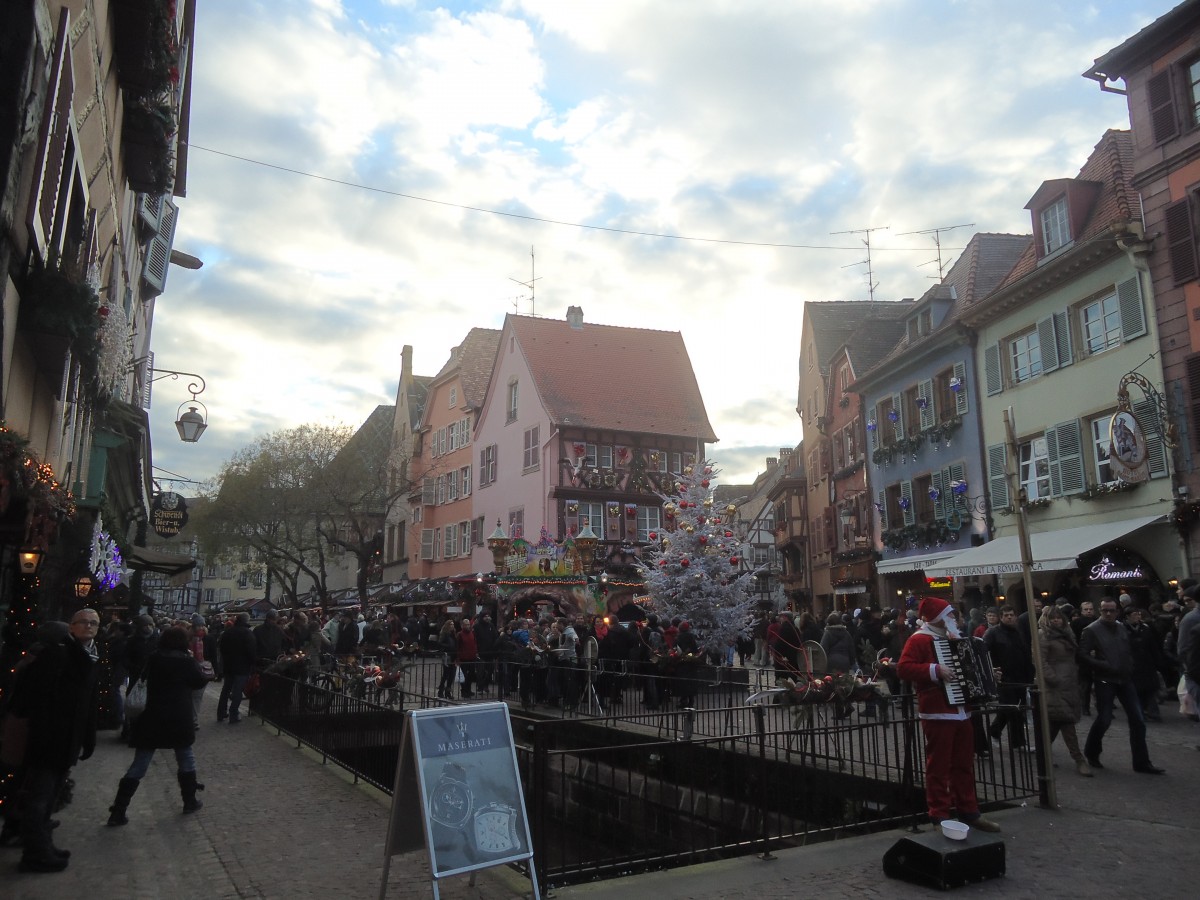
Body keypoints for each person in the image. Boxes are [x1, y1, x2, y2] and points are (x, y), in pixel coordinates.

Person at [5, 611, 100, 872]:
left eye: (94, 623)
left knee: (50, 793)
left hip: (67, 736)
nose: (89, 626)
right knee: (41, 796)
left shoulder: (89, 656)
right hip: (51, 737)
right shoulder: (58, 656)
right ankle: (35, 852)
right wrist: (44, 732)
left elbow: (87, 702)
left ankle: (42, 842)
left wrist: (88, 736)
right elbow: (38, 700)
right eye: (83, 622)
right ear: (70, 627)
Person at [897, 597, 1000, 832]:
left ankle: (968, 810)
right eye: (950, 615)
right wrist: (934, 670)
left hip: (962, 710)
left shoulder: (955, 638)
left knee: (964, 763)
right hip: (937, 711)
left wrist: (987, 674)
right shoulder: (920, 640)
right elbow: (903, 668)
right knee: (939, 765)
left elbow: (970, 667)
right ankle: (939, 814)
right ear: (938, 618)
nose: (954, 618)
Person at [107, 626, 212, 827]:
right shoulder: (186, 661)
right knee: (185, 757)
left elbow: (142, 677)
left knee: (139, 764)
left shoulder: (154, 658)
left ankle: (118, 809)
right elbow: (199, 682)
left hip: (152, 715)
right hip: (178, 716)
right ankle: (189, 800)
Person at [1080, 599, 1165, 774]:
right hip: (1105, 679)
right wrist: (1102, 665)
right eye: (1105, 610)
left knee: (1138, 720)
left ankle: (1142, 762)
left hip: (1125, 678)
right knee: (1104, 719)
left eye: (1111, 610)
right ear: (1100, 610)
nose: (1108, 613)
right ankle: (1092, 751)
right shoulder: (1092, 630)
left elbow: (1128, 649)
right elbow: (1082, 655)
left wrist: (1130, 665)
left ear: (1117, 611)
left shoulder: (1121, 628)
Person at [1038, 605, 1092, 777]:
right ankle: (1079, 759)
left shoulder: (1067, 634)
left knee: (1055, 724)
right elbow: (1040, 661)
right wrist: (1053, 679)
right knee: (1066, 721)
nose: (1056, 620)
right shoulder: (1043, 635)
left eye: (1058, 617)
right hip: (1054, 686)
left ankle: (1043, 754)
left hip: (1070, 684)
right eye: (1052, 618)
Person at [983, 606, 1033, 750]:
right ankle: (1018, 742)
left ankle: (995, 731)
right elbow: (984, 652)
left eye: (1011, 615)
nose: (1009, 617)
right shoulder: (993, 633)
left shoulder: (1019, 632)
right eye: (1006, 615)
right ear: (1001, 617)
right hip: (1003, 677)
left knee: (1012, 709)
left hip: (1020, 676)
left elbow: (1025, 653)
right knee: (1012, 709)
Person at [217, 613, 256, 724]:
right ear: (247, 621)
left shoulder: (228, 632)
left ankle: (221, 712)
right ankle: (233, 714)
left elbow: (222, 648)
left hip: (229, 665)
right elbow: (251, 651)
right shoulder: (248, 633)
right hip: (242, 667)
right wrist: (252, 664)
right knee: (238, 691)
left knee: (226, 690)